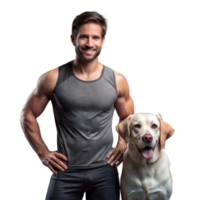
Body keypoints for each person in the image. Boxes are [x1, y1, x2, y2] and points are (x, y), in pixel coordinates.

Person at [18, 9, 136, 200]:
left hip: (105, 171)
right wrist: (42, 152)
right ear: (72, 39)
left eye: (95, 38)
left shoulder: (118, 80)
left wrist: (122, 146)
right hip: (65, 170)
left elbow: (128, 117)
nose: (90, 44)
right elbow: (28, 114)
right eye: (84, 37)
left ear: (103, 41)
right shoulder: (52, 78)